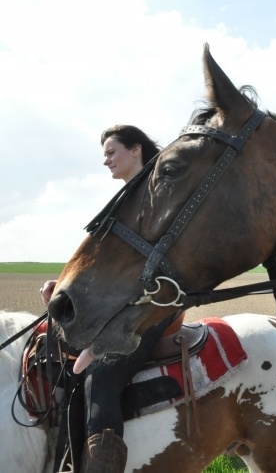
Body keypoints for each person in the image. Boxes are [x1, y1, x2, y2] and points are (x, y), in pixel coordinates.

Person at [40, 125, 182, 473]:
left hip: (153, 305)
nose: (105, 161)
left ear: (136, 151)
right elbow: (108, 268)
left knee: (101, 380)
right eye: (104, 154)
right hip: (125, 304)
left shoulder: (158, 195)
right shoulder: (127, 199)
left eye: (111, 152)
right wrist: (64, 286)